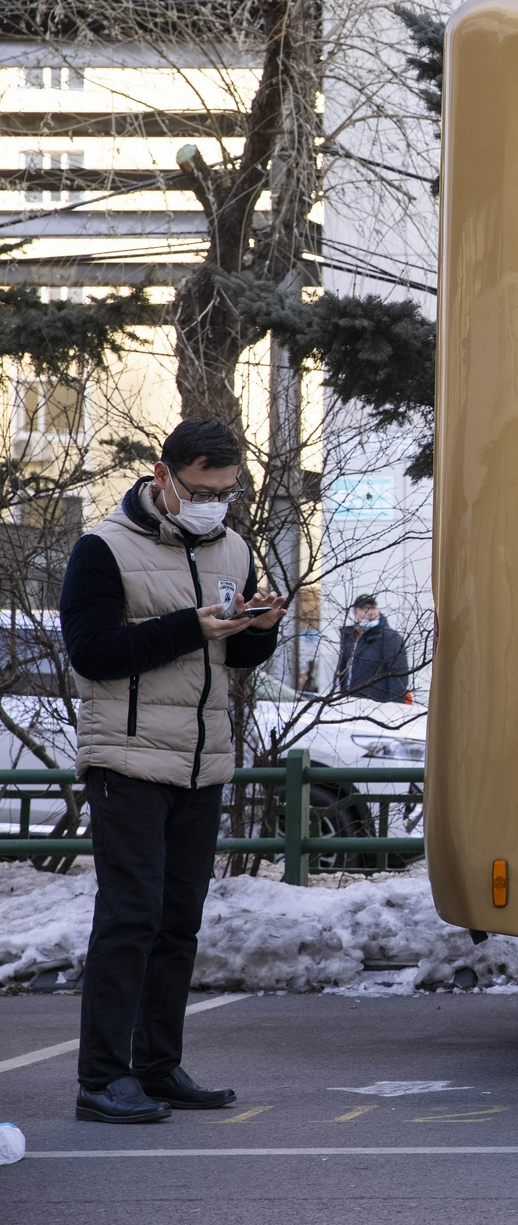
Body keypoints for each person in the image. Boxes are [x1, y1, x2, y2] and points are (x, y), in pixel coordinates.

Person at [58, 418, 285, 1124]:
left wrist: (261, 626)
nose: (216, 502)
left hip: (201, 762)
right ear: (164, 477)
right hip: (126, 761)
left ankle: (157, 1067)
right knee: (130, 917)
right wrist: (194, 625)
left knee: (179, 922)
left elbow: (235, 661)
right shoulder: (104, 548)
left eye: (228, 491)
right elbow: (92, 653)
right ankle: (102, 1077)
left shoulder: (234, 547)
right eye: (202, 489)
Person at [334, 594, 408, 703]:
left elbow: (398, 676)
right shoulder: (350, 638)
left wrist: (395, 708)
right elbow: (343, 673)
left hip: (377, 707)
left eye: (373, 608)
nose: (370, 612)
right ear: (355, 612)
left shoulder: (389, 637)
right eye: (364, 609)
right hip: (350, 703)